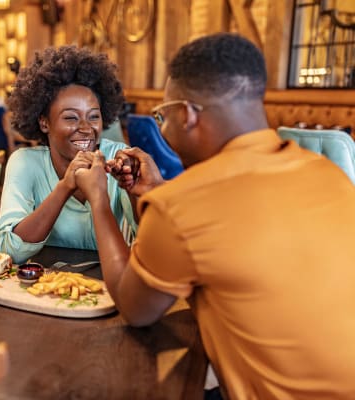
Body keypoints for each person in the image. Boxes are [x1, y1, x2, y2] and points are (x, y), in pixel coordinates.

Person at [74, 33, 355, 399]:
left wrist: (98, 198)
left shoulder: (183, 205)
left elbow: (135, 309)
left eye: (163, 115)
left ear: (188, 114)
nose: (163, 128)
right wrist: (158, 195)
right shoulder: (327, 173)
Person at [0, 45, 136, 264]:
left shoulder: (118, 159)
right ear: (44, 122)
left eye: (94, 117)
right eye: (71, 118)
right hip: (45, 289)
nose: (86, 128)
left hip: (109, 288)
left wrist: (135, 191)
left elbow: (145, 241)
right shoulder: (25, 162)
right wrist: (65, 187)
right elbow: (11, 249)